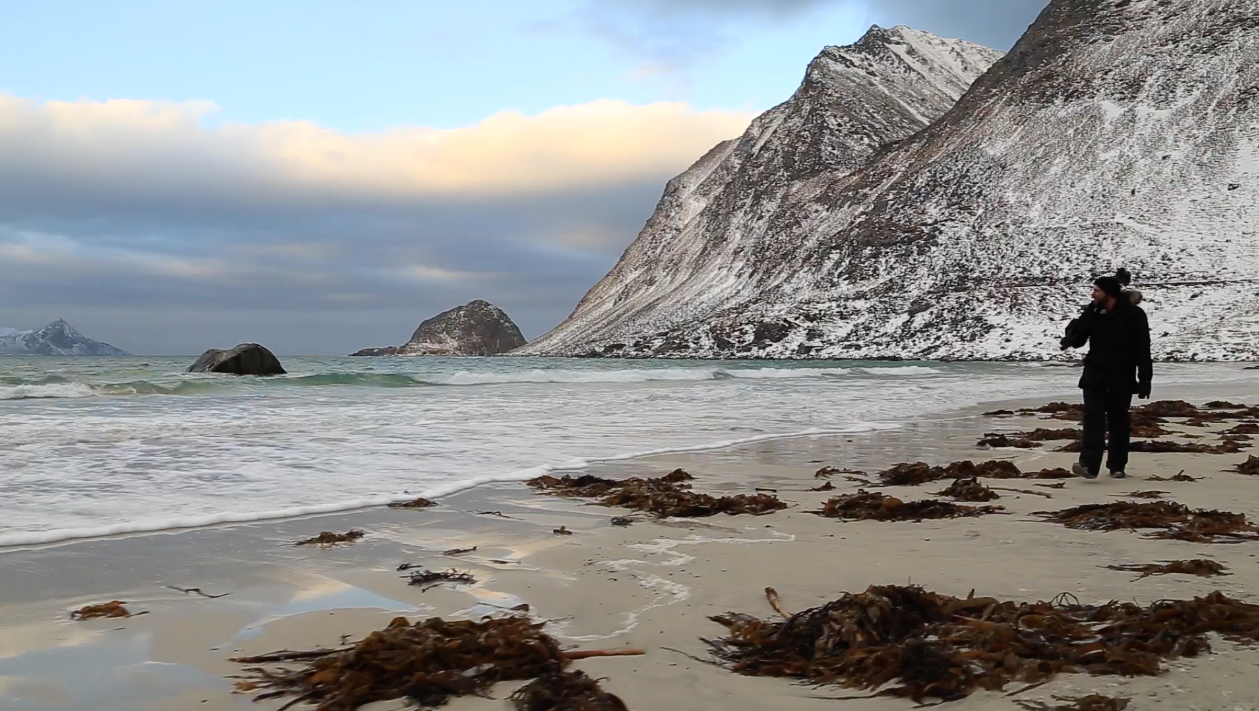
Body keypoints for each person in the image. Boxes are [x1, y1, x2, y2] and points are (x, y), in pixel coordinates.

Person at [1059, 270, 1153, 479]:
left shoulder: (1134, 315)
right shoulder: (1093, 312)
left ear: (1108, 293)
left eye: (1097, 290)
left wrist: (1145, 379)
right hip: (1094, 376)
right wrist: (1071, 333)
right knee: (1093, 420)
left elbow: (1142, 348)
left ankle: (1117, 466)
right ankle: (1089, 465)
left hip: (1122, 376)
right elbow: (1079, 340)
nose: (1093, 294)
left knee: (1119, 421)